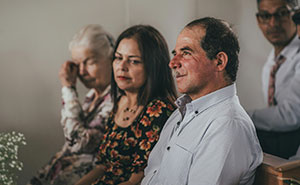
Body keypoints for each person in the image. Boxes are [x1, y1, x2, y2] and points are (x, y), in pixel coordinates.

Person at [141, 17, 263, 185]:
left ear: (219, 61)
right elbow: (152, 174)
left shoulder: (228, 124)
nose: (172, 63)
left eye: (186, 53)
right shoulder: (181, 113)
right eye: (175, 54)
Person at [76, 25, 177, 185]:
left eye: (134, 61)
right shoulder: (120, 101)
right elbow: (103, 165)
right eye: (118, 58)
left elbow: (136, 180)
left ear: (153, 66)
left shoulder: (159, 110)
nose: (121, 67)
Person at [28, 24, 115, 185]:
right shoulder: (92, 96)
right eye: (77, 64)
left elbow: (78, 142)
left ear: (111, 59)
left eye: (89, 62)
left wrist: (68, 89)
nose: (81, 72)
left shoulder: (116, 99)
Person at [248, 0, 300, 159]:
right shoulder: (272, 62)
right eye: (265, 16)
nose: (273, 23)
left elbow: (292, 115)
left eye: (282, 13)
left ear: (296, 14)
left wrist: (244, 116)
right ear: (258, 20)